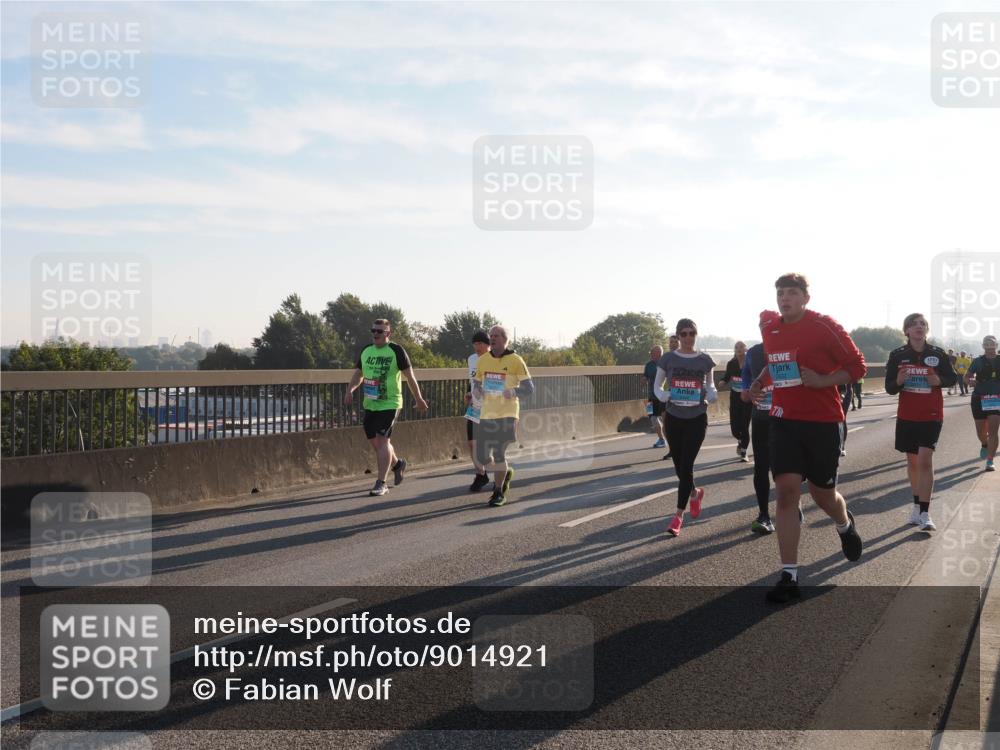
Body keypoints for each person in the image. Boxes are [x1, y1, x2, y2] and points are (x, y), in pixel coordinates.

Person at [749, 273, 866, 603]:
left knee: (823, 495)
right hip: (784, 422)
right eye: (780, 293)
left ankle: (844, 523)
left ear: (805, 298)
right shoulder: (771, 327)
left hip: (823, 422)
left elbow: (857, 367)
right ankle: (789, 574)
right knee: (786, 494)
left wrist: (822, 380)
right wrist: (759, 382)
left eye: (791, 293)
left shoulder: (823, 325)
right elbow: (775, 364)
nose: (784, 298)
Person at [884, 313, 957, 531]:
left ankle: (925, 513)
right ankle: (916, 507)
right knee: (913, 462)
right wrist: (898, 381)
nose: (919, 327)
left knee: (925, 461)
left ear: (926, 330)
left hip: (931, 414)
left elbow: (952, 378)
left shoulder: (937, 353)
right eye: (914, 324)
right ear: (906, 330)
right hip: (907, 415)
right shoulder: (897, 355)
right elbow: (889, 387)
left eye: (922, 324)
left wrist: (939, 381)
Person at [345, 319, 429, 496]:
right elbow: (359, 374)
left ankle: (381, 483)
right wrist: (350, 390)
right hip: (370, 403)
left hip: (390, 403)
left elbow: (410, 376)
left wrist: (419, 398)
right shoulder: (366, 350)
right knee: (377, 445)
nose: (375, 334)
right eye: (373, 330)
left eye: (380, 331)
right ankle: (398, 464)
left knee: (383, 441)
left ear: (388, 334)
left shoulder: (396, 351)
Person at [653, 318, 718, 537]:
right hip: (674, 417)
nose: (688, 338)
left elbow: (710, 385)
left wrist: (711, 395)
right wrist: (665, 395)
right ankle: (695, 492)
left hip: (697, 417)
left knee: (687, 464)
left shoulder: (704, 360)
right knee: (679, 466)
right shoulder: (668, 359)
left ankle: (678, 516)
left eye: (692, 333)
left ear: (696, 335)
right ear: (678, 336)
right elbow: (658, 386)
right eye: (684, 334)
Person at [472, 325, 535, 506]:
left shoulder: (516, 360)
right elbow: (476, 384)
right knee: (483, 457)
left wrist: (514, 391)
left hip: (507, 413)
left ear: (505, 340)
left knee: (499, 452)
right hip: (487, 413)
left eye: (496, 336)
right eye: (491, 336)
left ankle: (498, 492)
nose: (492, 338)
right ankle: (504, 471)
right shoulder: (482, 360)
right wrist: (477, 391)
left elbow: (529, 388)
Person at [742, 341, 775, 533]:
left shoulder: (788, 346)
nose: (766, 331)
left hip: (785, 418)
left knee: (784, 468)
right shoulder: (754, 352)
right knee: (761, 467)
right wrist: (747, 388)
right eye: (762, 327)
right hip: (761, 416)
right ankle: (764, 515)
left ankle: (792, 499)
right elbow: (746, 371)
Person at [966, 335, 1000, 472]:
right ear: (983, 345)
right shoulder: (977, 361)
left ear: (996, 345)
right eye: (986, 342)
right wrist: (970, 381)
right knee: (981, 432)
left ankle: (990, 460)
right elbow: (966, 377)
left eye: (992, 342)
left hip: (996, 399)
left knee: (993, 431)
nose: (989, 344)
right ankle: (984, 444)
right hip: (979, 398)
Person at [465, 330, 491, 491]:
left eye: (480, 343)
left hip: (491, 407)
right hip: (474, 406)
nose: (477, 347)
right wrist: (469, 392)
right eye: (475, 343)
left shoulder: (494, 360)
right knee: (472, 443)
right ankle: (481, 474)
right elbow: (473, 380)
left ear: (488, 345)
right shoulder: (472, 359)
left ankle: (502, 471)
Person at [721, 341, 752, 461]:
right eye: (736, 347)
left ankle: (744, 452)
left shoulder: (750, 363)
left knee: (744, 425)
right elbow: (727, 376)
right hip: (734, 397)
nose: (738, 349)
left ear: (745, 349)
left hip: (747, 398)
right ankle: (740, 440)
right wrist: (723, 381)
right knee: (734, 428)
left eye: (741, 347)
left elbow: (756, 376)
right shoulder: (731, 363)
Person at [661, 335, 681, 461]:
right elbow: (661, 377)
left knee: (680, 423)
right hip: (669, 394)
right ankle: (672, 449)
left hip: (683, 394)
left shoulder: (684, 356)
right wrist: (661, 392)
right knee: (666, 424)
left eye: (675, 342)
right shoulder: (666, 358)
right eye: (671, 342)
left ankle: (681, 447)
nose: (673, 344)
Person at [643, 345, 667, 449]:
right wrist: (643, 379)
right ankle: (661, 439)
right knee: (652, 419)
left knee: (665, 420)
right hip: (650, 396)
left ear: (659, 353)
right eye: (650, 353)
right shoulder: (648, 365)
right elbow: (645, 376)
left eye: (652, 353)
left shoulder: (665, 364)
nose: (651, 355)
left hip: (662, 396)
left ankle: (671, 440)